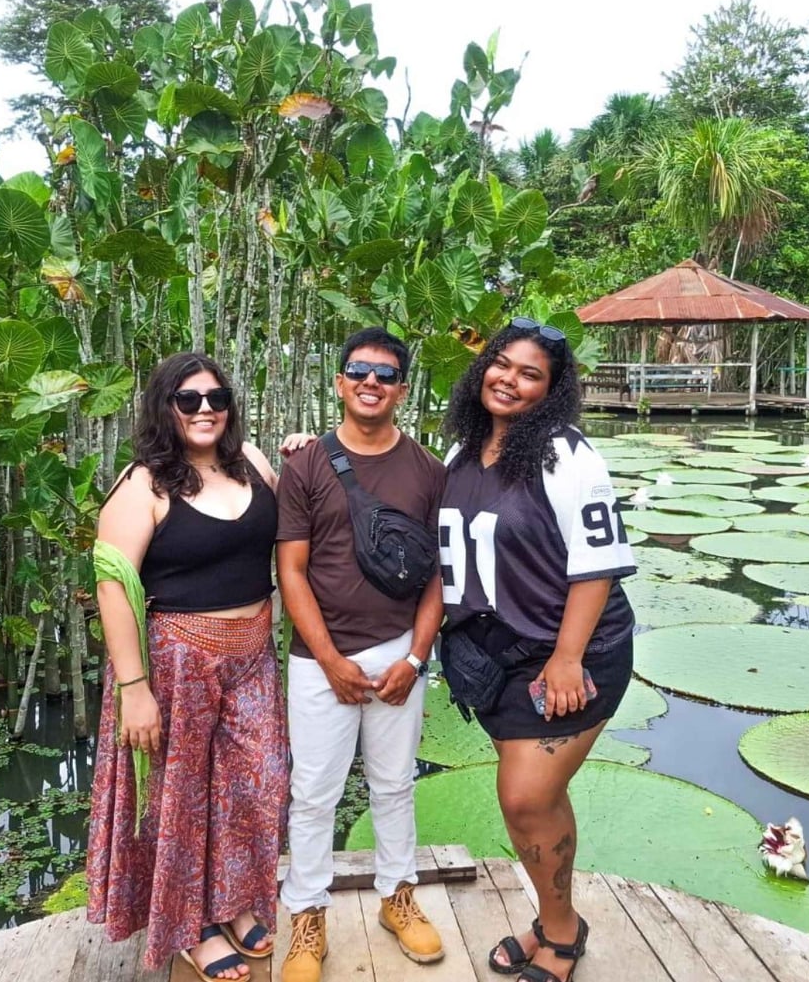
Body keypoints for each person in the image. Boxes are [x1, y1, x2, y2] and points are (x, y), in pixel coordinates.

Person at [438, 318, 637, 982]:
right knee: (540, 800)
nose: (510, 379)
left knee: (525, 797)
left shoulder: (565, 454)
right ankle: (554, 918)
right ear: (483, 368)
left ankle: (561, 932)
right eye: (503, 363)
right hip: (496, 656)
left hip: (575, 652)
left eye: (531, 374)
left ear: (551, 391)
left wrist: (568, 657)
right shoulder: (461, 455)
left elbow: (597, 563)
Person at [87, 352, 288, 982]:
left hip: (252, 653)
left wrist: (309, 450)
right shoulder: (143, 484)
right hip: (176, 661)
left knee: (257, 782)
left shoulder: (252, 463)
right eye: (189, 399)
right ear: (164, 408)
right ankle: (191, 927)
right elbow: (112, 584)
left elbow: (297, 523)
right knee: (179, 801)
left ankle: (231, 901)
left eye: (217, 398)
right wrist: (133, 689)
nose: (205, 410)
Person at [276, 327, 447, 982]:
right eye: (359, 372)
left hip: (399, 651)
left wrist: (417, 657)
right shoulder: (306, 464)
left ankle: (398, 896)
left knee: (395, 784)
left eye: (385, 374)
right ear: (340, 382)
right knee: (315, 793)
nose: (371, 382)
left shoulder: (429, 471)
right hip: (320, 660)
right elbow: (290, 570)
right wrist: (329, 659)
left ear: (401, 388)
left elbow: (436, 576)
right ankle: (308, 916)